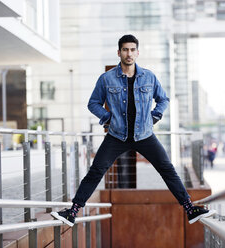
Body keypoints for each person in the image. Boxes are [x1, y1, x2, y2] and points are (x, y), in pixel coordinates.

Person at [51, 34, 215, 226]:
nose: (129, 54)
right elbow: (93, 103)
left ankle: (190, 209)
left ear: (137, 52)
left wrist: (155, 116)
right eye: (125, 50)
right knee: (96, 171)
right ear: (119, 52)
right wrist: (107, 118)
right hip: (116, 135)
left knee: (167, 169)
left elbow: (163, 100)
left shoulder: (149, 76)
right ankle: (73, 211)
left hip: (144, 134)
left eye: (132, 50)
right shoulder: (107, 78)